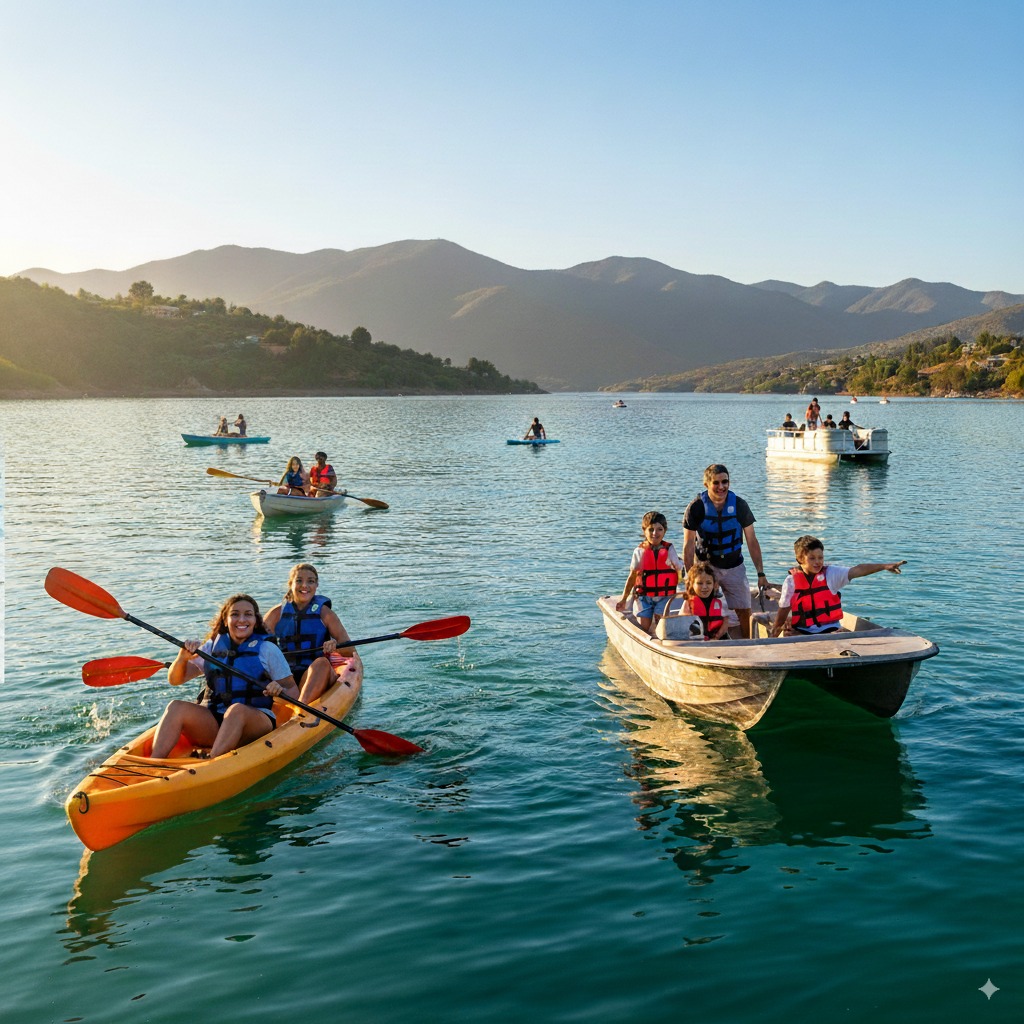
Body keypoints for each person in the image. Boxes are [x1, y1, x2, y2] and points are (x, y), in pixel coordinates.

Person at [150, 594, 298, 759]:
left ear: (256, 620)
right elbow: (175, 680)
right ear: (225, 620)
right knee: (176, 707)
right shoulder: (211, 648)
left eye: (248, 614)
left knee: (237, 710)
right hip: (216, 720)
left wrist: (279, 690)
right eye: (235, 614)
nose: (241, 619)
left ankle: (212, 762)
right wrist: (181, 659)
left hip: (255, 721)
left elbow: (292, 689)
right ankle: (154, 762)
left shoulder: (267, 649)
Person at [682, 464, 767, 639]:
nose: (721, 487)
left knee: (744, 609)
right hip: (706, 567)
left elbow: (752, 540)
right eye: (716, 483)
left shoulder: (740, 505)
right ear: (706, 484)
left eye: (725, 482)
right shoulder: (696, 507)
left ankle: (747, 644)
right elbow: (688, 544)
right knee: (698, 605)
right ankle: (701, 640)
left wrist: (761, 573)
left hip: (733, 564)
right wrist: (690, 576)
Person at [771, 535, 907, 637]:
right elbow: (783, 611)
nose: (818, 562)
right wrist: (773, 637)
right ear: (800, 560)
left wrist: (884, 566)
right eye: (812, 558)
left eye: (820, 557)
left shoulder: (831, 574)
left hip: (831, 631)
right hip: (802, 631)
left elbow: (857, 570)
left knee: (841, 634)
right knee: (788, 633)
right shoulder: (791, 581)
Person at [263, 563, 354, 703]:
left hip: (318, 673)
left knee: (322, 663)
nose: (304, 585)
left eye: (310, 581)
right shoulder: (276, 614)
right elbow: (258, 647)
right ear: (290, 584)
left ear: (316, 585)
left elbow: (350, 652)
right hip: (286, 676)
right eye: (299, 580)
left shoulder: (325, 614)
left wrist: (335, 645)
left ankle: (301, 708)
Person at [616, 510, 682, 636]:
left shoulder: (669, 549)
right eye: (651, 529)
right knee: (644, 627)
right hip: (644, 597)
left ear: (665, 531)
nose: (655, 533)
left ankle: (659, 638)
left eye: (659, 529)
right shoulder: (639, 551)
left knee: (660, 626)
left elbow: (679, 569)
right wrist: (624, 598)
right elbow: (632, 576)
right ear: (644, 530)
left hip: (664, 596)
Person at [681, 562, 730, 640]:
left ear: (714, 585)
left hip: (718, 639)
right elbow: (683, 623)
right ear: (692, 584)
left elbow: (725, 622)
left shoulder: (720, 602)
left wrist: (717, 636)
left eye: (708, 583)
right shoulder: (688, 603)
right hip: (696, 641)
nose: (704, 587)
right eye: (700, 583)